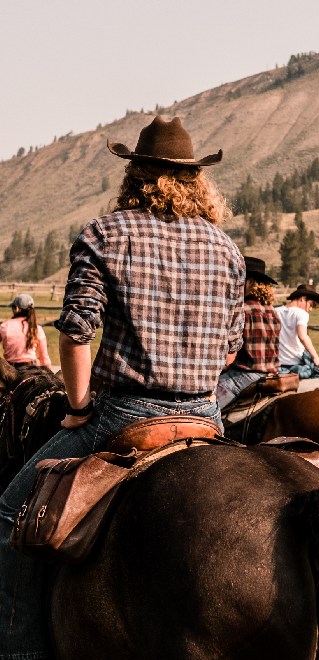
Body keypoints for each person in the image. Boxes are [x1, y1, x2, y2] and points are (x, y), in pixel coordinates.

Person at [0, 115, 245, 659]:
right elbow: (231, 351)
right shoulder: (226, 250)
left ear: (135, 174)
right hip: (205, 418)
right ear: (195, 180)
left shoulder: (104, 234)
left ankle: (20, 652)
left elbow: (78, 330)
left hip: (126, 417)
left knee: (10, 514)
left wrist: (79, 406)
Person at [216, 256, 280, 408]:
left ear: (249, 282)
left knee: (205, 407)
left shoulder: (242, 310)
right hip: (272, 374)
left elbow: (227, 354)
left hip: (244, 375)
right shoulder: (273, 311)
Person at [277, 283, 319, 378]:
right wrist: (316, 357)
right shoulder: (301, 314)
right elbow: (302, 336)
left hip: (278, 363)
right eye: (310, 305)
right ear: (303, 298)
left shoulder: (275, 311)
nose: (310, 309)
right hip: (295, 362)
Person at [0, 293, 52, 370]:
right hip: (32, 368)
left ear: (17, 308)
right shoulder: (36, 328)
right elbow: (44, 357)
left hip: (10, 369)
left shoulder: (4, 326)